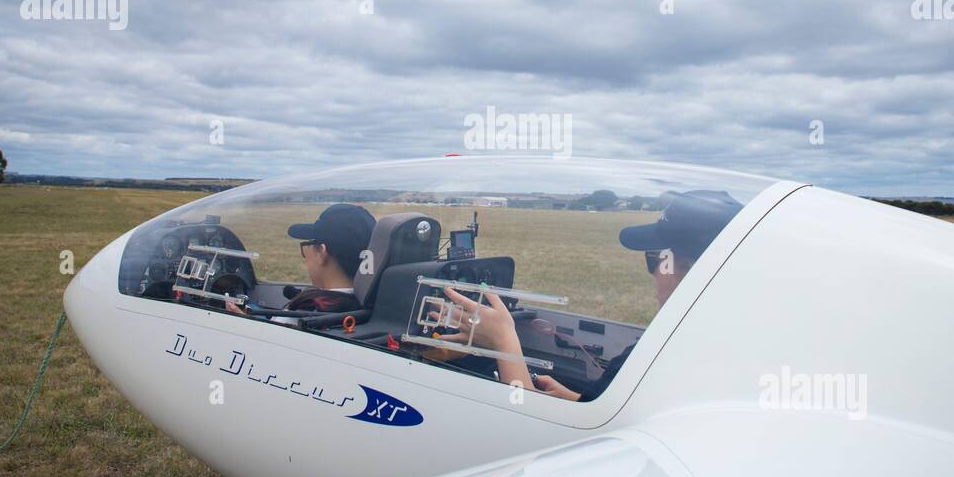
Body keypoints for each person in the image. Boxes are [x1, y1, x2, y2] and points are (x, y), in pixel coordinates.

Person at [433, 191, 742, 399]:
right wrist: (577, 399)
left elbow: (530, 424)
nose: (653, 273)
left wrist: (503, 343)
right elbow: (615, 414)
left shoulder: (664, 356)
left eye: (654, 259)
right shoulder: (712, 341)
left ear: (689, 268)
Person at [227, 203, 376, 316]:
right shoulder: (374, 303)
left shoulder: (302, 311)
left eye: (308, 245)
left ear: (321, 252)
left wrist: (242, 320)